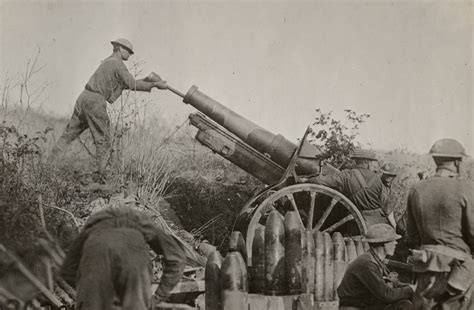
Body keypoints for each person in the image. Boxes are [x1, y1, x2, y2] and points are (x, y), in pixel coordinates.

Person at [48, 38, 168, 182]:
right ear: (119, 49)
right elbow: (131, 84)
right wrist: (155, 85)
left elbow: (124, 83)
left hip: (84, 98)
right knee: (103, 140)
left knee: (68, 135)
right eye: (128, 51)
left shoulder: (108, 62)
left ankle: (47, 167)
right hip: (96, 102)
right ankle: (102, 177)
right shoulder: (119, 65)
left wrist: (148, 81)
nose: (130, 55)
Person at [60, 203, 186, 310]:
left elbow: (68, 269)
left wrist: (87, 291)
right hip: (133, 257)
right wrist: (157, 297)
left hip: (96, 249)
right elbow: (177, 257)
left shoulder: (92, 225)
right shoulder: (142, 221)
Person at [406, 138, 473, 310]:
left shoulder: (417, 189)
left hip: (424, 267)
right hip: (457, 270)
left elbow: (411, 235)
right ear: (457, 162)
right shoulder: (466, 189)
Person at [337, 223, 415, 309]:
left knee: (405, 304)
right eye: (393, 240)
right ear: (383, 244)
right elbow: (386, 295)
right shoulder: (367, 264)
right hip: (355, 308)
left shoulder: (374, 260)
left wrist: (411, 287)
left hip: (366, 305)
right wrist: (410, 290)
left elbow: (392, 284)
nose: (396, 243)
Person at [305, 149, 391, 227]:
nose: (372, 164)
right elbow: (385, 202)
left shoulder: (346, 175)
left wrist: (306, 180)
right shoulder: (376, 178)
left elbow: (321, 180)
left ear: (357, 161)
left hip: (359, 221)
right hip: (379, 221)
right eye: (371, 162)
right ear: (366, 162)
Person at [380, 162, 399, 228]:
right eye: (386, 174)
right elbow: (387, 211)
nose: (388, 177)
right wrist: (395, 226)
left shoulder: (390, 187)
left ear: (394, 176)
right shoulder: (379, 185)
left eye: (390, 175)